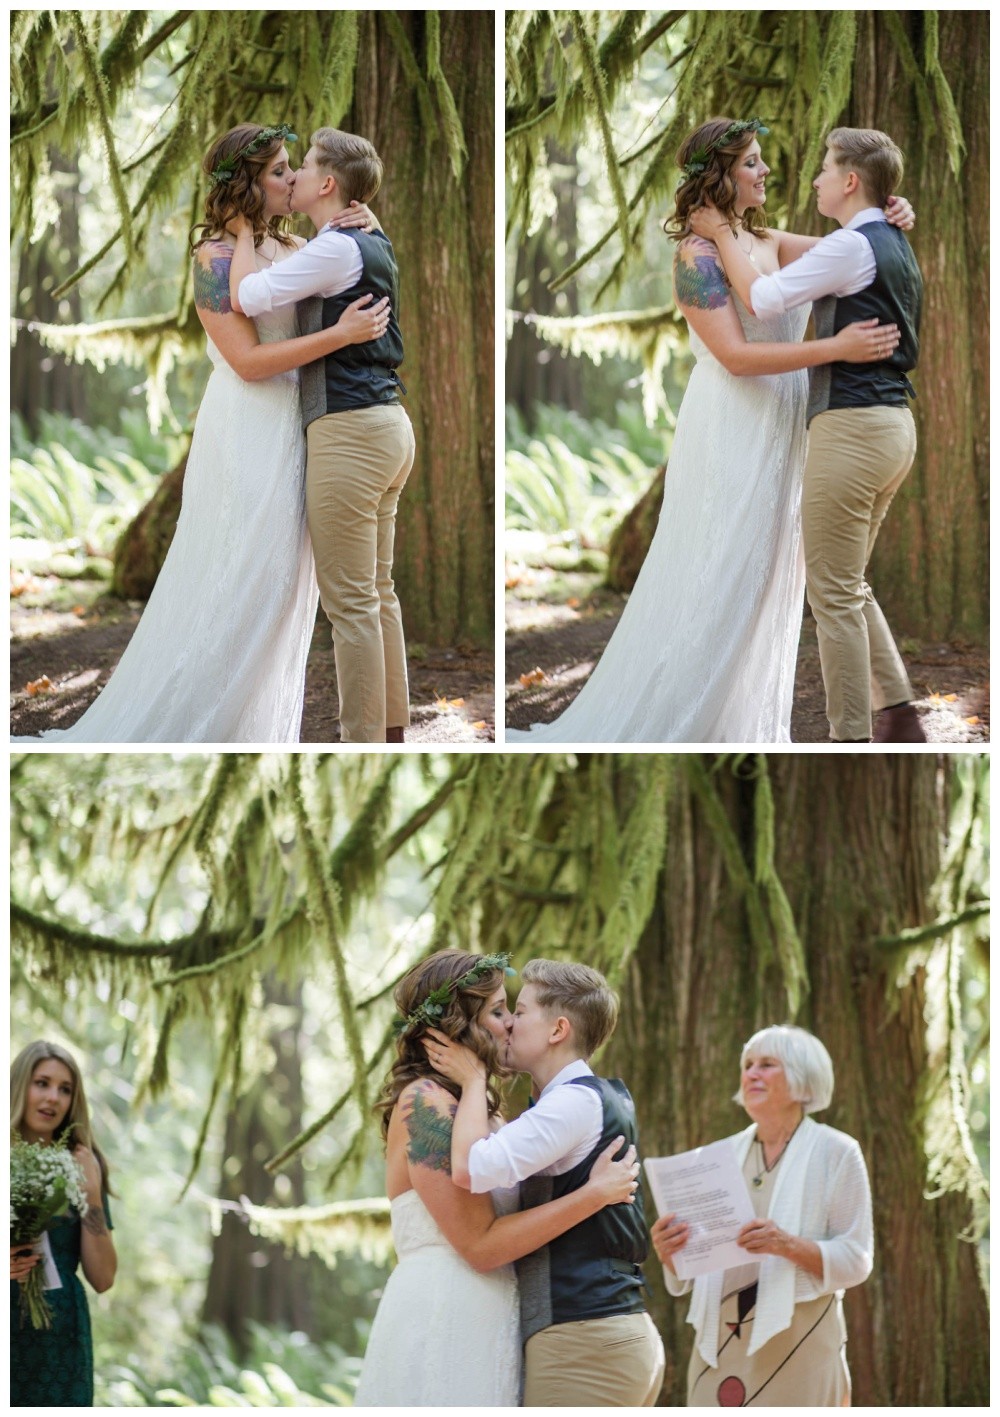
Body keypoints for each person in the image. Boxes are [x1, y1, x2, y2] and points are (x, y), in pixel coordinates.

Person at [506, 116, 912, 745]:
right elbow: (738, 358)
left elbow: (853, 248)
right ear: (720, 176)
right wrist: (835, 347)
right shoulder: (696, 257)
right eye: (752, 161)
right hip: (731, 427)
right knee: (719, 571)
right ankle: (683, 713)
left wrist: (891, 212)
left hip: (786, 428)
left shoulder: (768, 240)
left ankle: (742, 717)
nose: (766, 170)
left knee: (769, 574)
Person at [13, 123, 388, 744]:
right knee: (235, 576)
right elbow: (246, 362)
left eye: (294, 167)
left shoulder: (296, 247)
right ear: (246, 183)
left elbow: (341, 262)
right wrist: (339, 336)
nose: (290, 178)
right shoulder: (213, 259)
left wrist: (362, 220)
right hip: (244, 430)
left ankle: (254, 728)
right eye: (277, 171)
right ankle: (200, 721)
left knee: (279, 585)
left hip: (297, 432)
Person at [691, 127, 924, 742]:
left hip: (852, 429)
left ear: (850, 181)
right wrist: (891, 211)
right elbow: (739, 343)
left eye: (824, 169)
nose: (803, 176)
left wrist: (719, 233)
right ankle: (898, 714)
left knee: (834, 594)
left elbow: (765, 298)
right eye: (753, 162)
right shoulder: (873, 239)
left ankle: (852, 735)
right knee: (848, 582)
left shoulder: (846, 242)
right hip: (889, 426)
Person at [353, 950, 641, 1407]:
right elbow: (480, 1246)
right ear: (459, 1024)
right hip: (445, 1311)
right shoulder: (425, 1103)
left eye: (513, 1010)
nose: (509, 1024)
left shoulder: (481, 1116)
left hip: (497, 1316)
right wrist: (592, 1196)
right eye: (498, 1011)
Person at [231, 128, 415, 745]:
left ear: (329, 184)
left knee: (351, 605)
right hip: (388, 426)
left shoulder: (337, 247)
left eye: (304, 166)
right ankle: (390, 731)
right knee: (377, 591)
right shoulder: (364, 236)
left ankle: (362, 744)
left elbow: (252, 296)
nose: (296, 176)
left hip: (351, 431)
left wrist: (236, 233)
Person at [426, 958, 665, 1407]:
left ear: (557, 1030)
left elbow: (470, 1169)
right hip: (608, 1336)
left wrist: (474, 1080)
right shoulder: (588, 1098)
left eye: (520, 1011)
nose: (508, 1025)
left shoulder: (571, 1104)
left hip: (584, 1343)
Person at [651, 1025, 873, 1406]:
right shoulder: (715, 1157)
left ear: (804, 1078)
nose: (751, 1072)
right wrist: (671, 1255)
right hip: (719, 1346)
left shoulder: (837, 1151)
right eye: (748, 1064)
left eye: (767, 1064)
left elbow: (856, 1260)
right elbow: (694, 1266)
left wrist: (785, 1245)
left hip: (800, 1344)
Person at [10, 1041, 118, 1407]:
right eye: (42, 1083)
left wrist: (91, 1197)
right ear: (19, 1086)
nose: (53, 1098)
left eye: (65, 1089)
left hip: (61, 1338)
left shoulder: (83, 1162)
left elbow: (103, 1279)